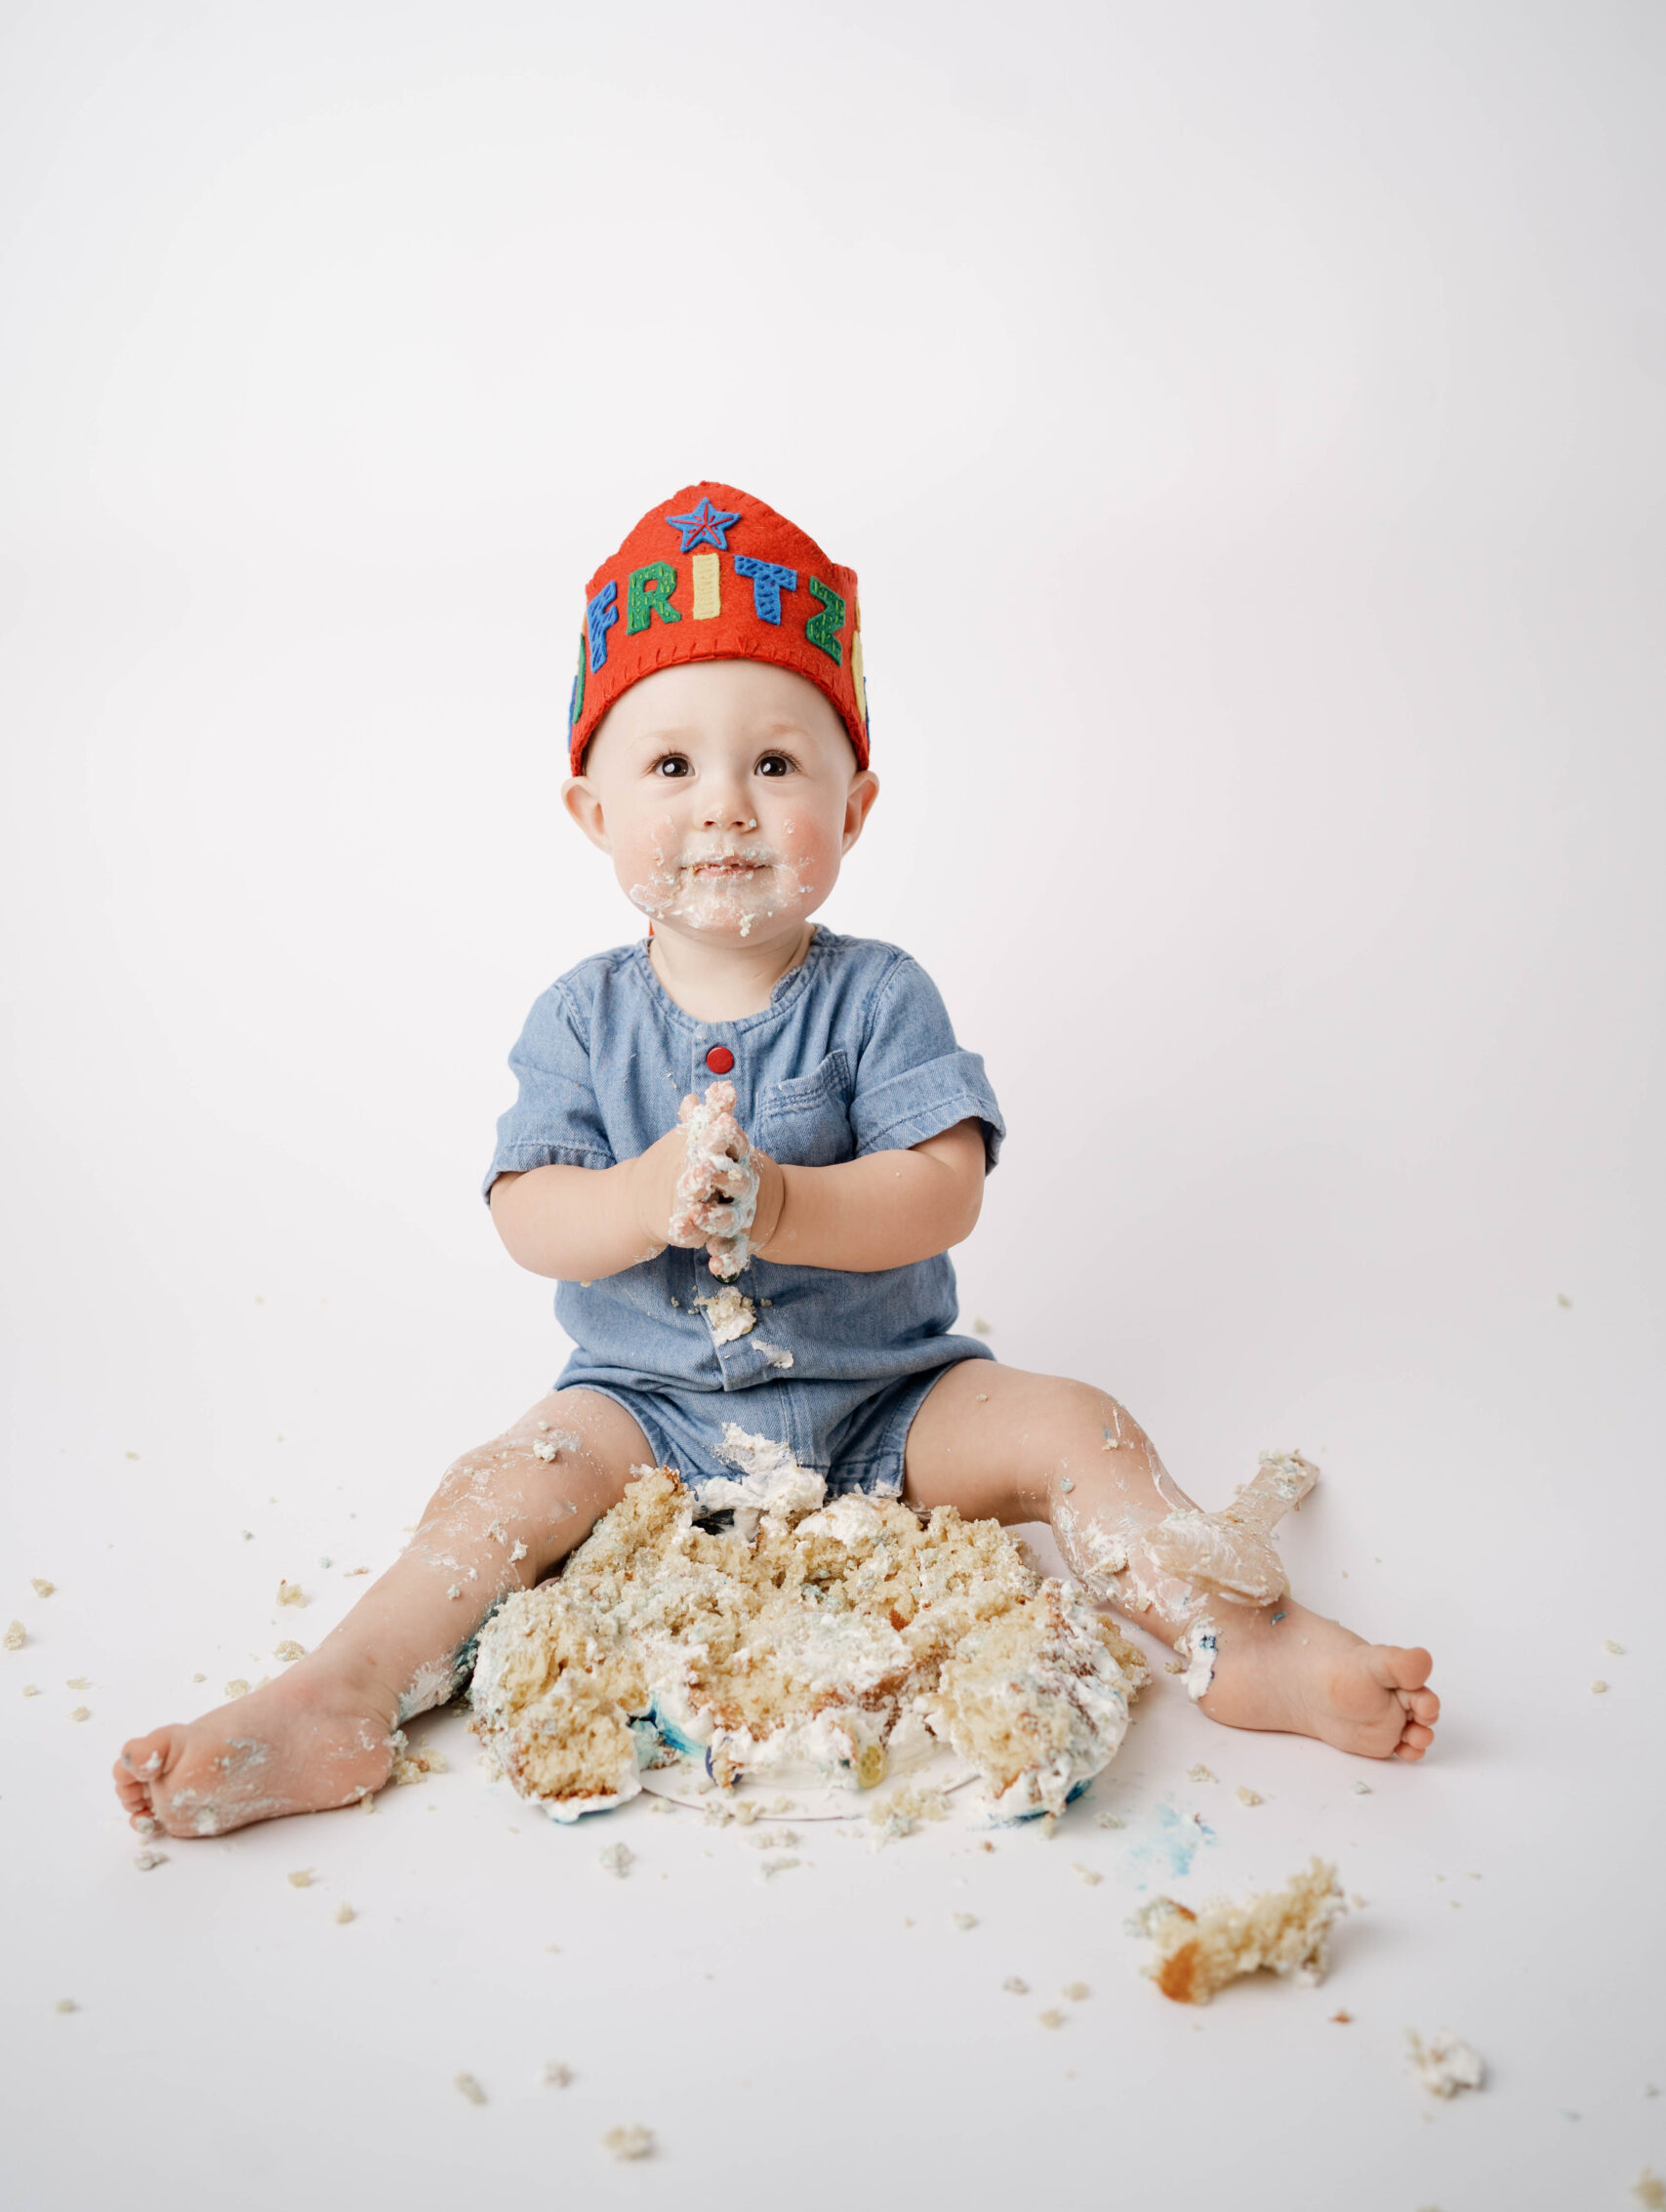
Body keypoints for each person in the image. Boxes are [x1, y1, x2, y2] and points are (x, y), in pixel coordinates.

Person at [114, 482, 1437, 1838]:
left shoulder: (880, 997)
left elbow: (946, 1187)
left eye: (778, 766)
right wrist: (635, 1199)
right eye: (673, 767)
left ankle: (1243, 1639)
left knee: (1075, 1423)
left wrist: (794, 1202)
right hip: (648, 1416)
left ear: (855, 806)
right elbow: (528, 1214)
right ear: (590, 808)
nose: (727, 810)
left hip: (890, 1411)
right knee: (497, 1490)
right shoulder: (582, 1016)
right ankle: (338, 1695)